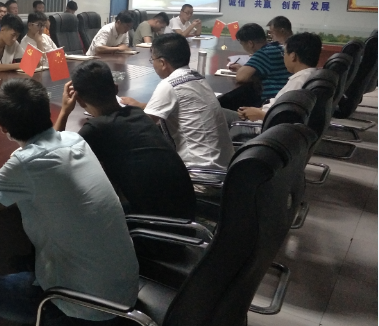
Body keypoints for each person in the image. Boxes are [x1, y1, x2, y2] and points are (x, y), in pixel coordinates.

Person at [0, 79, 138, 326]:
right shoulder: (75, 141)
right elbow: (49, 143)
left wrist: (12, 171)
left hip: (80, 310)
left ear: (3, 127)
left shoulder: (25, 164)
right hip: (123, 295)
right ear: (46, 111)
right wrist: (64, 113)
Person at [54, 61, 193, 218]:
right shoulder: (137, 113)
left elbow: (52, 157)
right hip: (185, 211)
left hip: (156, 224)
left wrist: (64, 111)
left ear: (78, 100)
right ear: (116, 89)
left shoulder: (97, 129)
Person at [123, 34, 234, 176]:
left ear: (162, 63)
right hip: (226, 171)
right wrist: (141, 106)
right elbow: (179, 108)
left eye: (152, 60)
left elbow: (143, 126)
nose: (153, 64)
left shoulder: (170, 85)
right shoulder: (196, 77)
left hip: (199, 176)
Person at [226, 32, 322, 124]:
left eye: (284, 53)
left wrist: (259, 114)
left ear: (293, 56)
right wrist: (257, 110)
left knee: (219, 112)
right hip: (264, 117)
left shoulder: (299, 83)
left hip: (260, 127)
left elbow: (288, 119)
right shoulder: (310, 76)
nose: (283, 57)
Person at [218, 23, 291, 111]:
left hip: (271, 103)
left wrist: (242, 70)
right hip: (284, 99)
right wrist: (243, 68)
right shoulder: (277, 48)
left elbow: (241, 77)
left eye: (242, 44)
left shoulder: (263, 53)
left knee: (224, 105)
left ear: (250, 43)